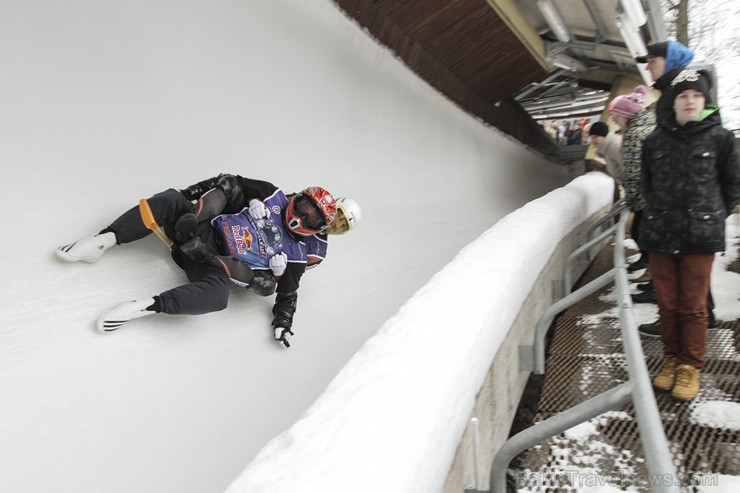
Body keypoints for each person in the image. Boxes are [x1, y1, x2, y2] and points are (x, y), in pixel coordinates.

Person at [56, 176, 340, 348]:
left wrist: (282, 316)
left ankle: (147, 306)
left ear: (317, 229)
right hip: (194, 228)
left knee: (219, 295)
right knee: (171, 199)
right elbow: (228, 182)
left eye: (311, 219)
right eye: (303, 207)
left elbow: (287, 294)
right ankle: (105, 239)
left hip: (215, 261)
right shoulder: (270, 193)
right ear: (297, 198)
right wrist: (198, 206)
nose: (300, 218)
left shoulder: (297, 258)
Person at [640, 69, 740, 400]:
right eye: (683, 96)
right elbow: (647, 184)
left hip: (700, 234)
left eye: (696, 96)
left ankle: (690, 366)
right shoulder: (654, 140)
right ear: (673, 101)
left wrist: (713, 214)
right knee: (667, 305)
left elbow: (731, 185)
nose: (690, 101)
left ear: (705, 101)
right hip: (661, 231)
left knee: (693, 306)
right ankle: (670, 360)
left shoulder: (721, 138)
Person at [635, 41, 719, 335]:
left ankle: (697, 318)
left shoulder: (683, 89)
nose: (648, 66)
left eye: (652, 60)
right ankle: (699, 314)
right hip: (677, 202)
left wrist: (712, 205)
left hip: (688, 203)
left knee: (689, 269)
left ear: (669, 60)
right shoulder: (670, 88)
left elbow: (710, 139)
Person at [607, 85, 656, 281]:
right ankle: (650, 273)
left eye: (616, 115)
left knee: (641, 232)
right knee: (641, 233)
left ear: (626, 114)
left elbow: (635, 170)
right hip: (651, 195)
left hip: (646, 197)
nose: (613, 119)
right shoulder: (641, 128)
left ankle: (653, 277)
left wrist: (634, 199)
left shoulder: (635, 135)